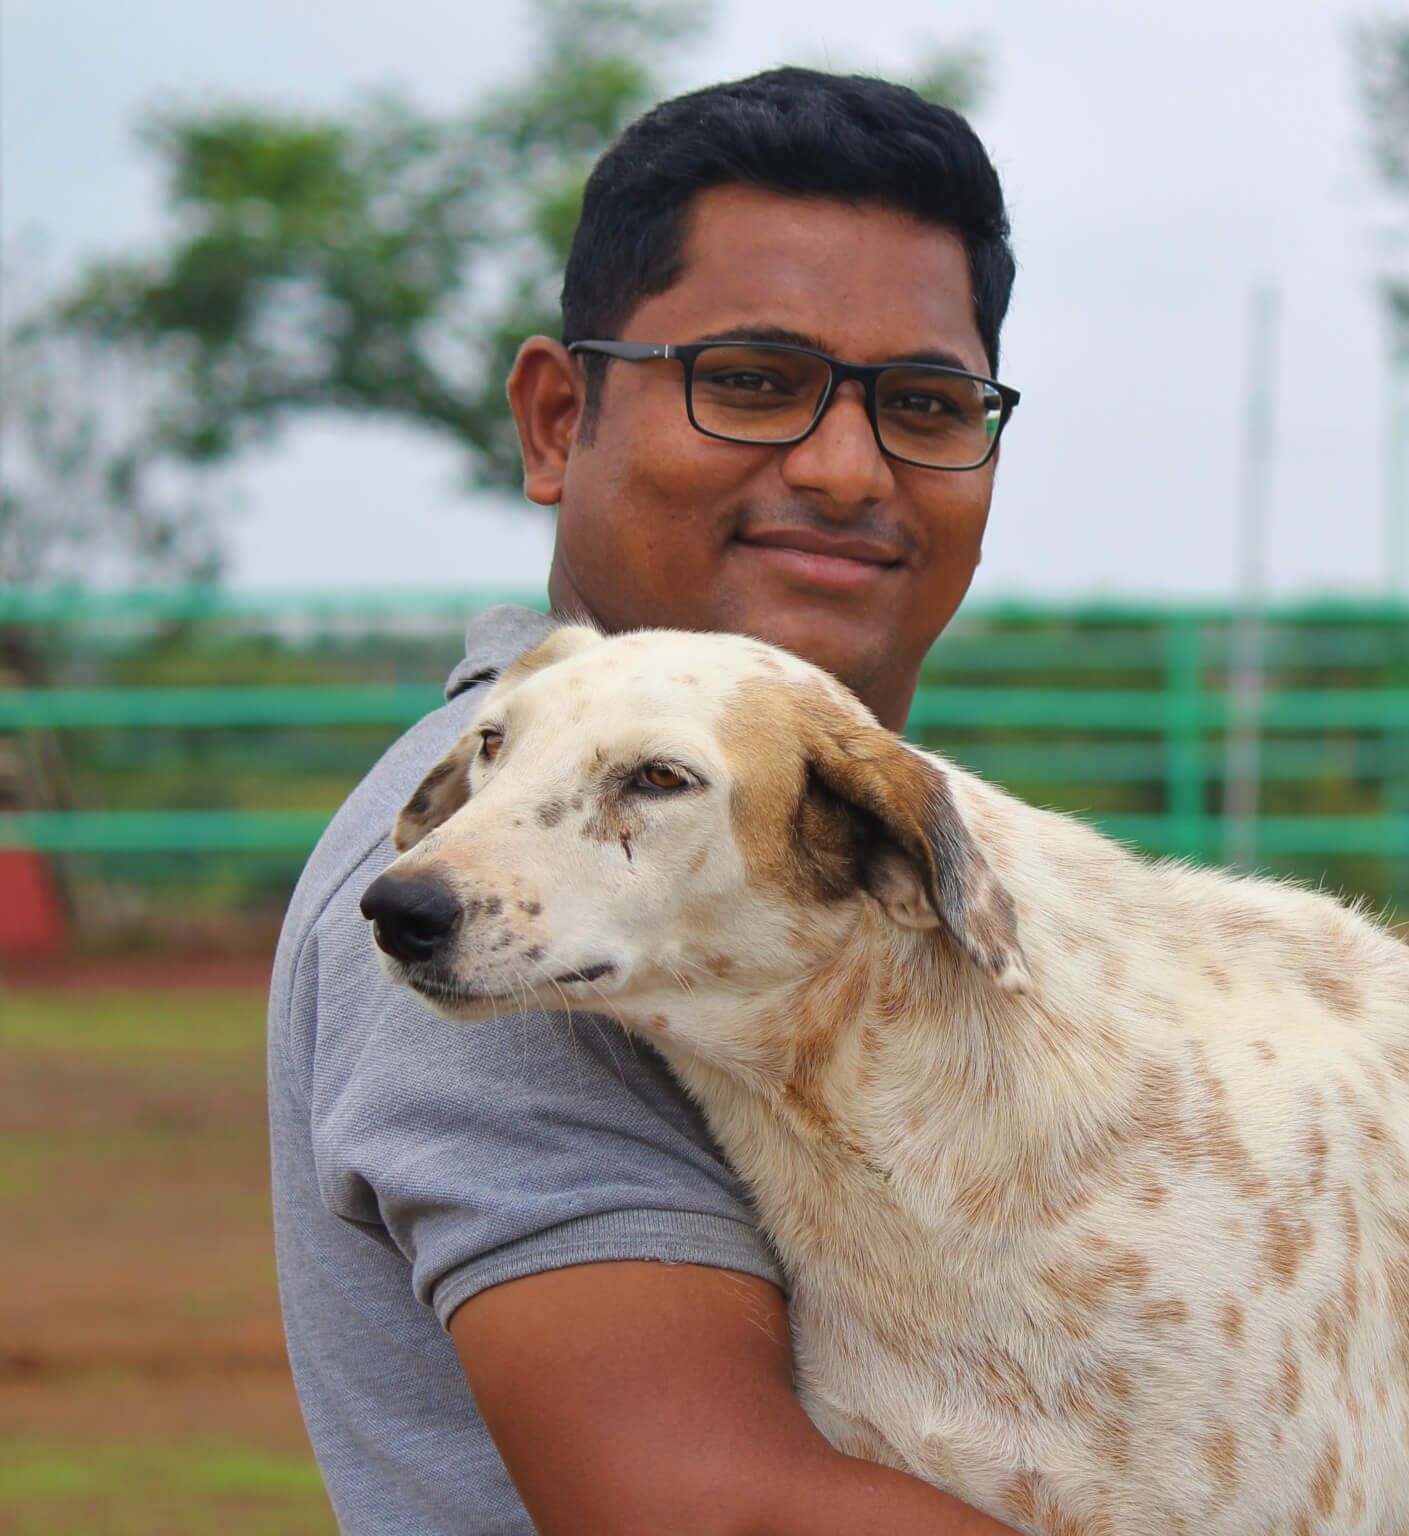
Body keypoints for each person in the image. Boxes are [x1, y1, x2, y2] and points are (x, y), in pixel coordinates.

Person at [267, 67, 1027, 1534]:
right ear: (558, 421)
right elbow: (717, 1510)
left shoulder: (776, 875)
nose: (847, 467)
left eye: (926, 405)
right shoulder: (499, 895)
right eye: (750, 382)